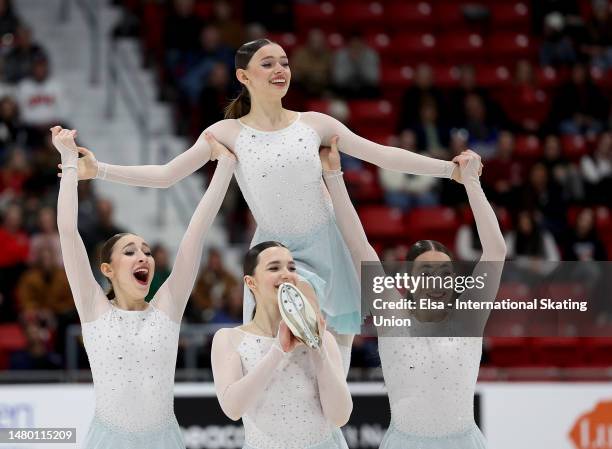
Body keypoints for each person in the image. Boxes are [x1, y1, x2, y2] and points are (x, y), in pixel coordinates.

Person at [62, 39, 478, 336]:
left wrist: (450, 170)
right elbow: (168, 174)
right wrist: (98, 170)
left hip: (327, 245)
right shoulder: (227, 132)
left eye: (284, 62)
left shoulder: (315, 124)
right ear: (243, 75)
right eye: (267, 63)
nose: (280, 69)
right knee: (280, 339)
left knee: (333, 356)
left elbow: (382, 154)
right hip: (272, 253)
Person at [53, 126, 235, 448]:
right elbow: (68, 232)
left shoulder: (168, 306)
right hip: (108, 440)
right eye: (130, 251)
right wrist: (69, 162)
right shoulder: (93, 308)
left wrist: (225, 167)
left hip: (163, 439)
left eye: (147, 251)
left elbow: (195, 233)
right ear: (107, 269)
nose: (144, 257)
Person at [320, 138, 506, 449]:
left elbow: (495, 251)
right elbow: (359, 247)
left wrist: (472, 182)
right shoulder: (392, 314)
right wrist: (334, 176)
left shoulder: (467, 318)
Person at [211, 241, 352, 449]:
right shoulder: (228, 338)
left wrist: (318, 349)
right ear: (251, 282)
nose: (287, 274)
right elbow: (233, 408)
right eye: (274, 268)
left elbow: (340, 416)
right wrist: (277, 350)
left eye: (291, 267)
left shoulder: (324, 339)